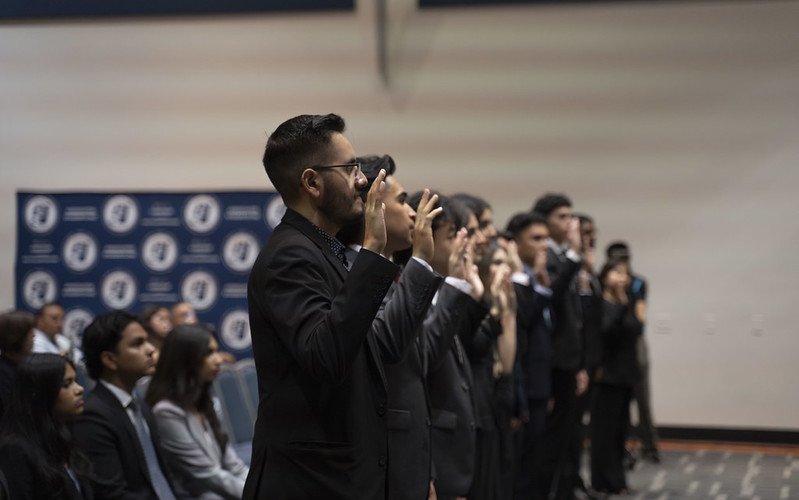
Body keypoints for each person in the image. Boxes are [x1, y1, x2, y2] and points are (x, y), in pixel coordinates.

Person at [243, 113, 438, 499]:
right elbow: (326, 355)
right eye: (349, 169)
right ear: (312, 182)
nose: (362, 180)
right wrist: (373, 252)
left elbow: (372, 350)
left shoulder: (323, 251)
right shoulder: (289, 257)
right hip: (311, 483)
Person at [72, 310, 179, 499]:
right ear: (110, 359)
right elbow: (112, 495)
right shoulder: (92, 416)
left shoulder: (141, 406)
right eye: (138, 344)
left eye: (147, 341)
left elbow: (163, 476)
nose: (151, 350)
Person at [146, 324, 249, 499]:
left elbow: (233, 465)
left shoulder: (203, 401)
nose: (218, 360)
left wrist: (262, 489)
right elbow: (206, 474)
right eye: (209, 353)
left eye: (217, 351)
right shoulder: (166, 411)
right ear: (186, 359)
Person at [532, 193, 585, 500]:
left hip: (566, 360)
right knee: (549, 442)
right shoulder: (549, 257)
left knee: (564, 439)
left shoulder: (560, 255)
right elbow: (551, 294)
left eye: (570, 215)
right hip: (550, 362)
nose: (570, 222)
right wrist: (575, 256)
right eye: (562, 217)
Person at [505, 211, 554, 500]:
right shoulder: (513, 275)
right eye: (536, 239)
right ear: (516, 241)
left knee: (535, 456)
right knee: (519, 464)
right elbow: (523, 320)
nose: (544, 245)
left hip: (539, 378)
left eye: (546, 239)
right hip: (520, 382)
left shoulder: (535, 276)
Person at [0, 353, 91, 499]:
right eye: (67, 384)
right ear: (42, 393)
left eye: (75, 381)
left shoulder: (62, 432)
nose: (79, 389)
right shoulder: (15, 449)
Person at [590, 258, 643, 495]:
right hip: (607, 374)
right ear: (605, 276)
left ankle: (618, 479)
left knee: (621, 430)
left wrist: (626, 303)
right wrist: (621, 306)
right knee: (604, 432)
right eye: (617, 273)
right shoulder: (600, 303)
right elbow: (606, 331)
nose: (623, 278)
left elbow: (636, 331)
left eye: (625, 274)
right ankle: (603, 479)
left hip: (625, 373)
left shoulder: (627, 302)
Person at [607, 240, 659, 463]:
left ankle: (650, 445)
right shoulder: (606, 282)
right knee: (618, 400)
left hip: (634, 342)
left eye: (625, 259)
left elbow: (640, 318)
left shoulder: (637, 283)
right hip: (613, 343)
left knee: (642, 397)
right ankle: (622, 445)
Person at [0, 310, 35, 417]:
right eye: (30, 333)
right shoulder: (3, 375)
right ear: (17, 337)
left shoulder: (22, 366)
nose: (34, 336)